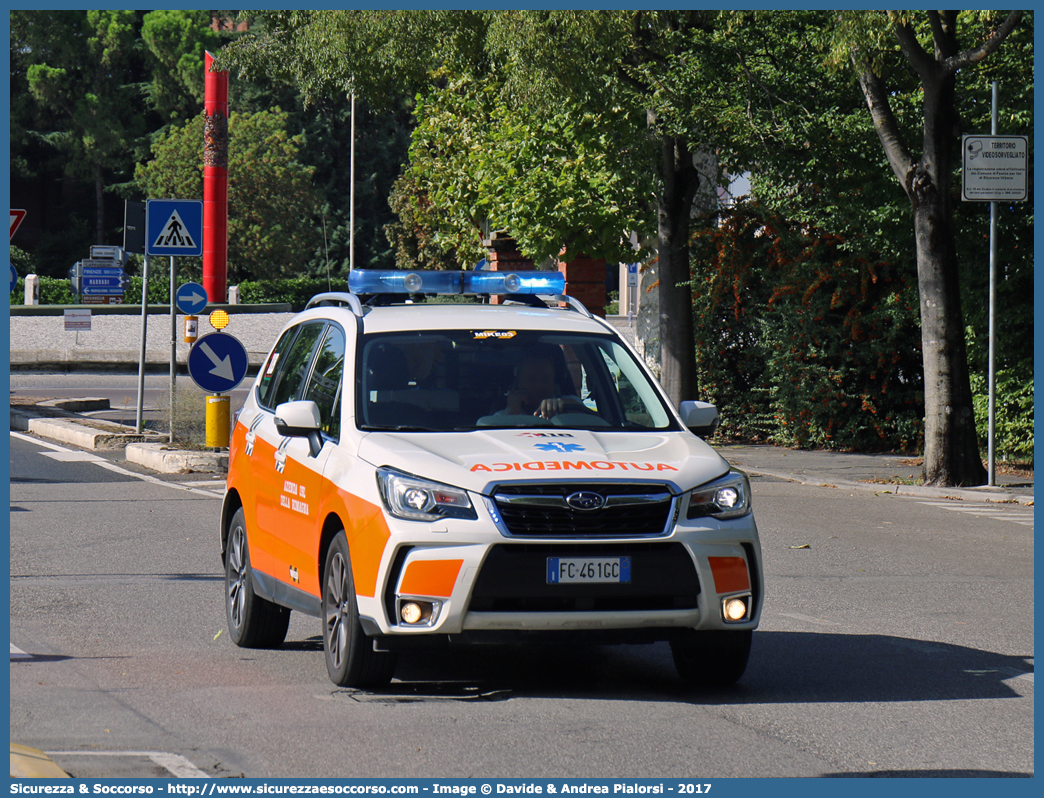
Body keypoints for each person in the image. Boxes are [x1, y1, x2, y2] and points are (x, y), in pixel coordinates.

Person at [499, 346, 584, 420]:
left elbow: (590, 418)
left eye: (546, 379)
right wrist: (512, 411)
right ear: (518, 382)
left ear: (554, 380)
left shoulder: (570, 405)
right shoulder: (500, 416)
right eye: (531, 379)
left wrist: (562, 405)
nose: (539, 386)